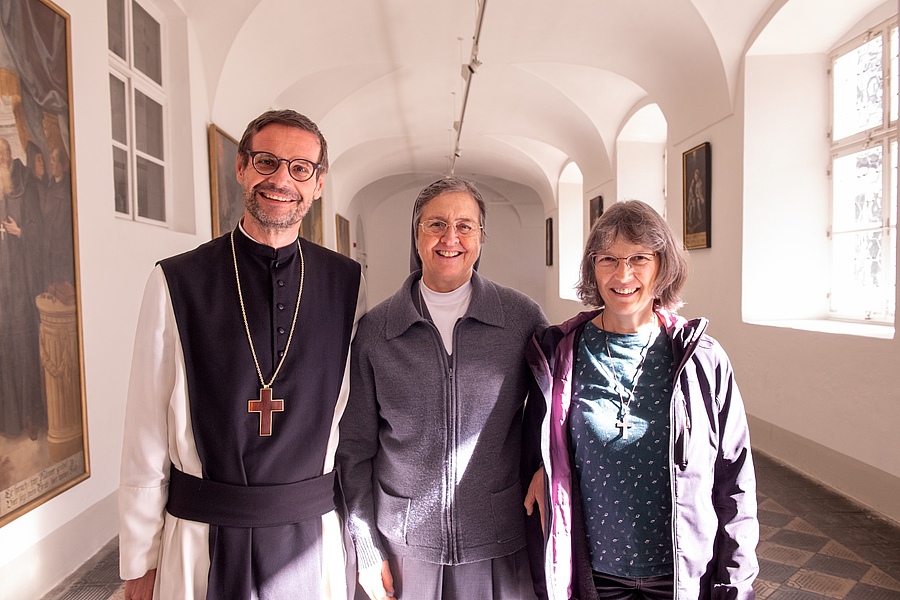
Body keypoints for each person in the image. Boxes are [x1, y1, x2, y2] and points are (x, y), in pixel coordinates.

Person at [119, 109, 366, 600]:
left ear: (318, 184)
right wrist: (140, 560)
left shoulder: (347, 284)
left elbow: (355, 422)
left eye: (301, 168)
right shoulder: (177, 281)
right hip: (200, 541)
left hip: (313, 540)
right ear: (241, 166)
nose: (282, 180)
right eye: (266, 161)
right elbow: (145, 430)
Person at [523, 200, 758, 600]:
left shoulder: (702, 358)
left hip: (683, 575)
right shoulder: (559, 354)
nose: (623, 274)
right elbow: (541, 446)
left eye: (639, 259)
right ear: (592, 267)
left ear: (663, 266)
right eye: (608, 259)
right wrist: (546, 469)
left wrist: (735, 582)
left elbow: (735, 481)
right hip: (596, 574)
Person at [337, 177, 548, 600]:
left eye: (465, 226)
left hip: (498, 544)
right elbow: (354, 451)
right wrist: (366, 547)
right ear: (416, 236)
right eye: (436, 224)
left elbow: (555, 409)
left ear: (481, 237)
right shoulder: (377, 331)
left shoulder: (520, 319)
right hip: (404, 548)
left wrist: (547, 467)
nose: (450, 238)